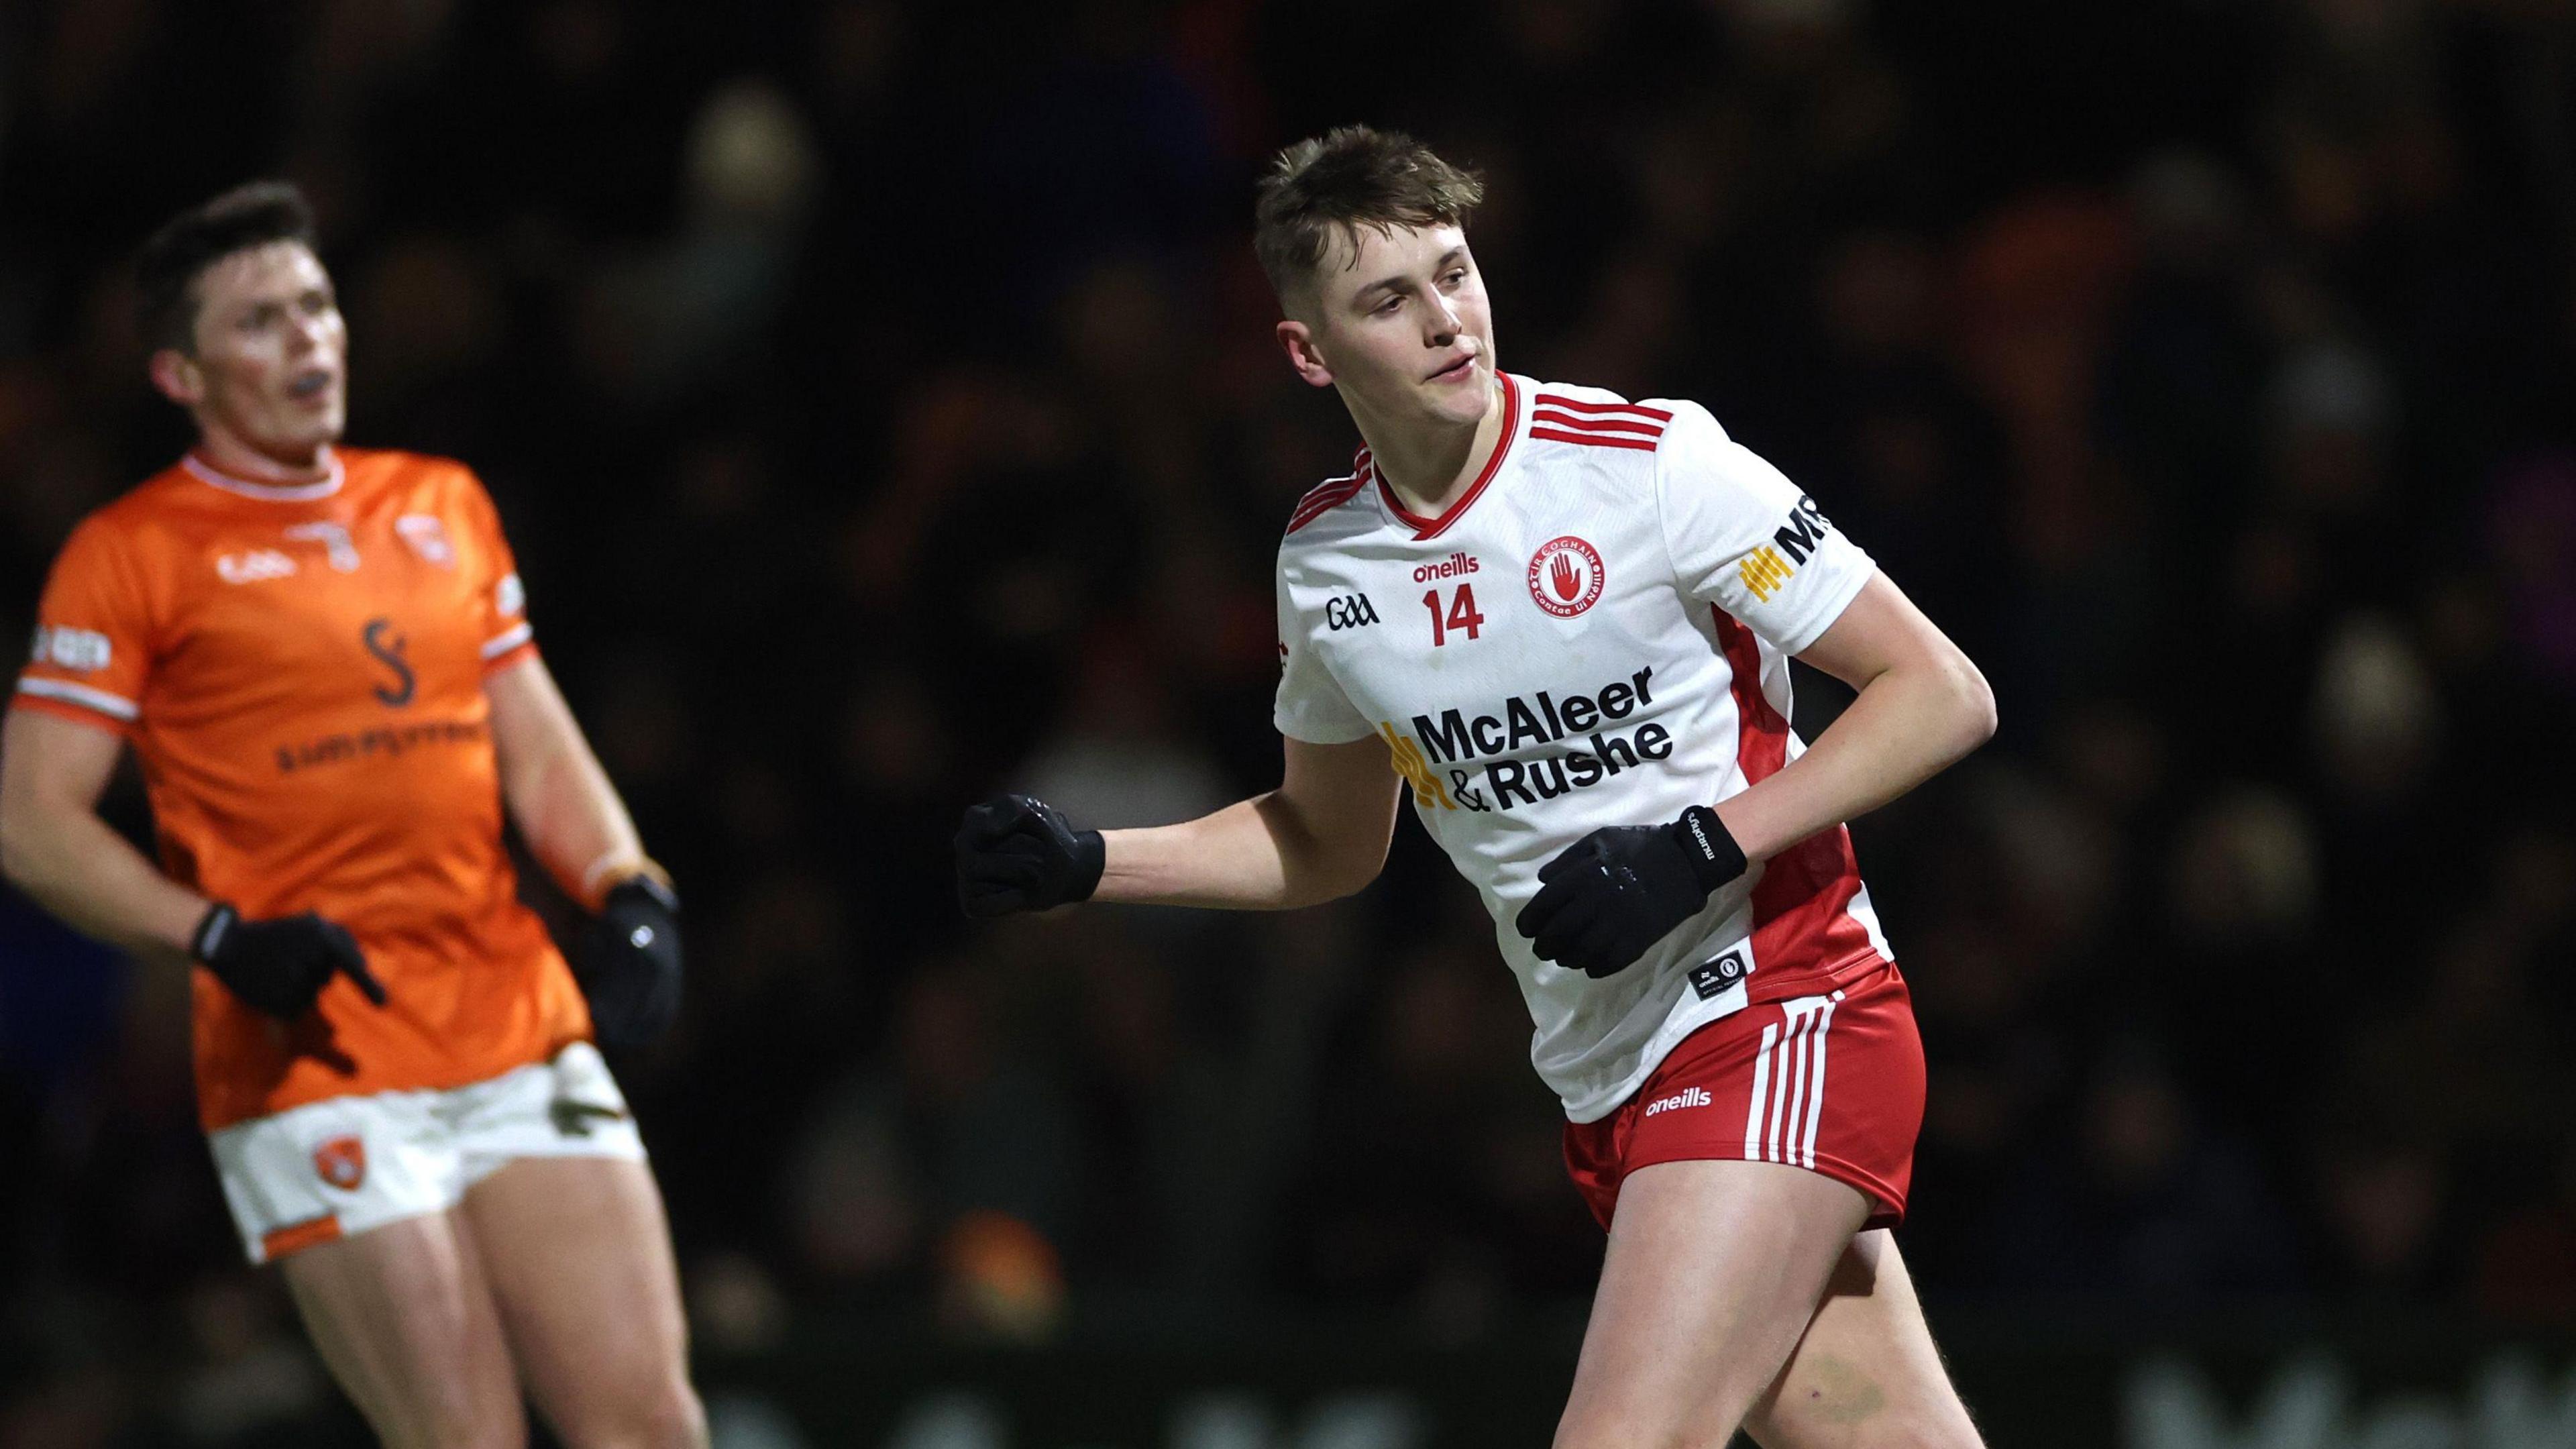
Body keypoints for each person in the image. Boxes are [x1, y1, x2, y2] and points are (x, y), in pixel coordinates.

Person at [957, 127, 1994, 1448]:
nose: (1447, 318)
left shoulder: (1651, 469)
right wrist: (1098, 862)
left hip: (1780, 1011)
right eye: (1390, 300)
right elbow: (1326, 842)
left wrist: (1697, 849)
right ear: (1308, 353)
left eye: (1453, 273)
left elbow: (1939, 692)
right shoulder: (1330, 571)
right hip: (1608, 1078)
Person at [0, 182, 704, 1448]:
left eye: (317, 306)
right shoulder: (131, 555)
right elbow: (32, 824)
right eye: (261, 322)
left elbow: (533, 740)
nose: (311, 340)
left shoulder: (440, 504)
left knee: (650, 1425)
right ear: (180, 375)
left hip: (509, 1016)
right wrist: (215, 939)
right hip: (315, 1052)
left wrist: (627, 886)